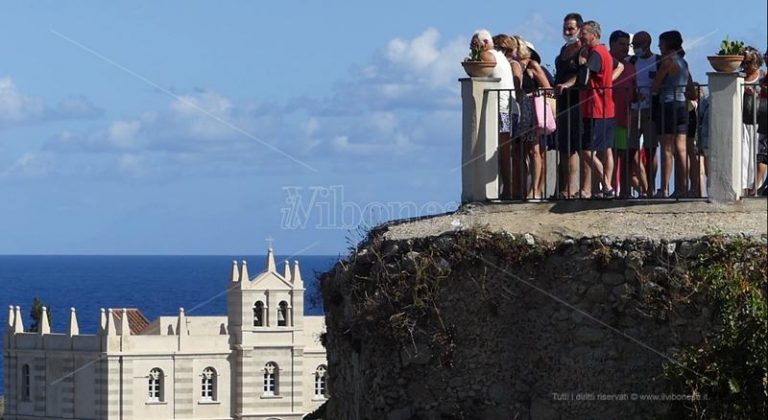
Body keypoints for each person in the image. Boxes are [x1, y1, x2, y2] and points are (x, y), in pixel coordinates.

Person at [575, 20, 620, 198]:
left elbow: (584, 78)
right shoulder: (606, 53)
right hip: (606, 108)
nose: (581, 36)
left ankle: (607, 186)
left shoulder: (596, 53)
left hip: (596, 108)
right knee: (605, 149)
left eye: (584, 33)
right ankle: (607, 187)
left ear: (593, 34)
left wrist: (581, 62)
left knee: (586, 149)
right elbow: (618, 66)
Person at [471, 30, 516, 199]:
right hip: (506, 108)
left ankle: (508, 190)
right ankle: (508, 188)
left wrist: (475, 55)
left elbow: (474, 70)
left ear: (484, 43)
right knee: (504, 149)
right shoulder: (498, 55)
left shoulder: (488, 56)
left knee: (503, 150)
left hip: (502, 108)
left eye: (475, 44)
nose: (473, 48)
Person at [651, 30, 694, 198]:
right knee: (681, 149)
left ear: (667, 44)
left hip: (668, 106)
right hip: (682, 106)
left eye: (661, 43)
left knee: (667, 149)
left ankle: (664, 189)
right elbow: (692, 91)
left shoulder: (667, 61)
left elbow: (655, 86)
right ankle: (683, 187)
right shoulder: (684, 63)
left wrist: (658, 88)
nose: (659, 46)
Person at [512, 36, 552, 199]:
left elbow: (548, 88)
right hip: (518, 111)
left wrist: (530, 94)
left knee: (535, 151)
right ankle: (521, 189)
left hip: (531, 110)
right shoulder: (513, 66)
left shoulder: (531, 66)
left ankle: (535, 189)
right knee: (519, 152)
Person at [610, 30, 648, 198]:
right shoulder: (606, 62)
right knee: (608, 155)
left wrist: (637, 96)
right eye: (621, 44)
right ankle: (609, 189)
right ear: (612, 44)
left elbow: (632, 93)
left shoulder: (631, 67)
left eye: (627, 45)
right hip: (606, 117)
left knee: (625, 156)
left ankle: (624, 192)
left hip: (625, 118)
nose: (625, 48)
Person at [627, 31, 662, 196]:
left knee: (651, 149)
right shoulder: (631, 61)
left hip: (650, 110)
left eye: (639, 44)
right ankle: (643, 186)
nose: (636, 48)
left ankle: (651, 187)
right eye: (634, 45)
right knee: (631, 149)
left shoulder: (658, 61)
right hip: (633, 110)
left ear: (648, 43)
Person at [554, 12, 584, 198]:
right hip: (562, 103)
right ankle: (564, 187)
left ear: (579, 29)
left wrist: (567, 85)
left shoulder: (583, 50)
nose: (567, 31)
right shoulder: (563, 50)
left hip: (577, 102)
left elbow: (581, 74)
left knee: (575, 147)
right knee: (564, 147)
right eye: (565, 27)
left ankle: (573, 188)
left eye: (571, 28)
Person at [741, 47, 764, 195]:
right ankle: (743, 186)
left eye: (748, 62)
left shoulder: (763, 77)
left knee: (758, 154)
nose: (745, 66)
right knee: (743, 153)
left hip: (759, 120)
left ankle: (756, 186)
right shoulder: (740, 78)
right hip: (744, 120)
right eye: (743, 63)